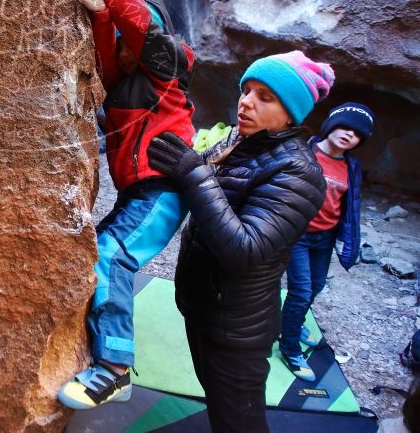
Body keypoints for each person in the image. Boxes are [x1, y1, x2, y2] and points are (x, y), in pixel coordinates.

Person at [146, 51, 334, 432]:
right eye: (246, 90)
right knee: (219, 407)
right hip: (207, 309)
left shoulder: (298, 172)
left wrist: (194, 174)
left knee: (239, 423)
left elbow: (245, 251)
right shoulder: (243, 145)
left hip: (236, 329)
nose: (246, 102)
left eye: (265, 96)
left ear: (291, 113)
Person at [56, 0, 196, 409]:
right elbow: (111, 56)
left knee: (112, 254)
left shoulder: (166, 70)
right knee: (100, 251)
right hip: (143, 193)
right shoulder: (129, 79)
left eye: (129, 39)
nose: (123, 46)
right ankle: (105, 351)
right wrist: (98, 12)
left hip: (163, 190)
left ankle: (114, 370)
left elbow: (138, 24)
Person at [279, 102, 375, 381]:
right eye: (345, 126)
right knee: (300, 291)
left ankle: (293, 324)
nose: (349, 135)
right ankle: (290, 348)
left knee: (316, 286)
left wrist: (349, 241)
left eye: (357, 134)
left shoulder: (352, 166)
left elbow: (350, 206)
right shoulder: (304, 152)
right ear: (331, 125)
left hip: (326, 236)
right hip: (298, 234)